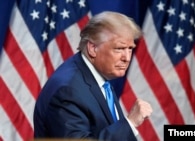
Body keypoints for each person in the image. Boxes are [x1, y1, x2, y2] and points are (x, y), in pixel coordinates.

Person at [33, 11, 153, 141]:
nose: (127, 58)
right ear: (93, 48)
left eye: (130, 48)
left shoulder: (97, 74)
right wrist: (130, 123)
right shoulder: (68, 91)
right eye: (119, 49)